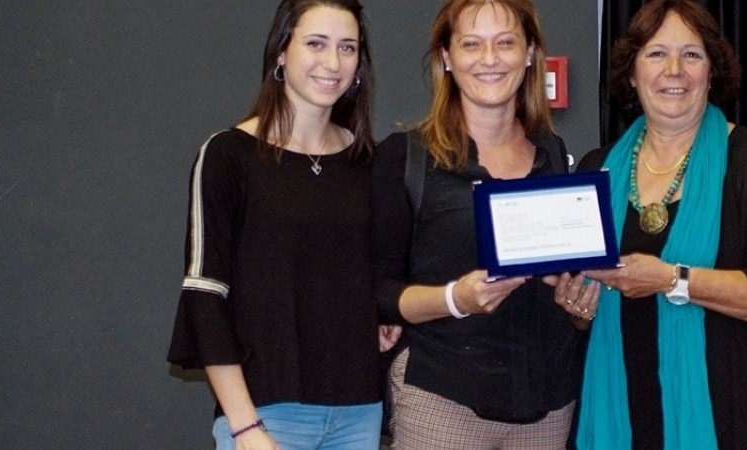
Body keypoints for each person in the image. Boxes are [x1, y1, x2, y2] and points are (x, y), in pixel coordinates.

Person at [573, 0, 747, 448]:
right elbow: (581, 317)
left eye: (691, 54)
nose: (674, 70)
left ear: (711, 73)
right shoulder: (597, 170)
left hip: (732, 417)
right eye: (656, 54)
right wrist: (578, 308)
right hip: (621, 411)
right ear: (632, 74)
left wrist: (672, 279)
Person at [166, 1, 400, 449]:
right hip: (266, 414)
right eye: (316, 44)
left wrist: (386, 312)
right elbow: (204, 297)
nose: (332, 63)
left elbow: (378, 273)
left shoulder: (372, 163)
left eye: (347, 47)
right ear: (280, 52)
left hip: (358, 413)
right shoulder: (228, 156)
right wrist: (245, 427)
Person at [371, 0, 600, 448]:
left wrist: (578, 308)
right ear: (446, 57)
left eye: (505, 43)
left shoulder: (553, 154)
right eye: (472, 44)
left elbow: (568, 285)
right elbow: (380, 293)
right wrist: (456, 299)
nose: (490, 59)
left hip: (548, 405)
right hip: (443, 399)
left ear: (530, 53)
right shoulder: (406, 157)